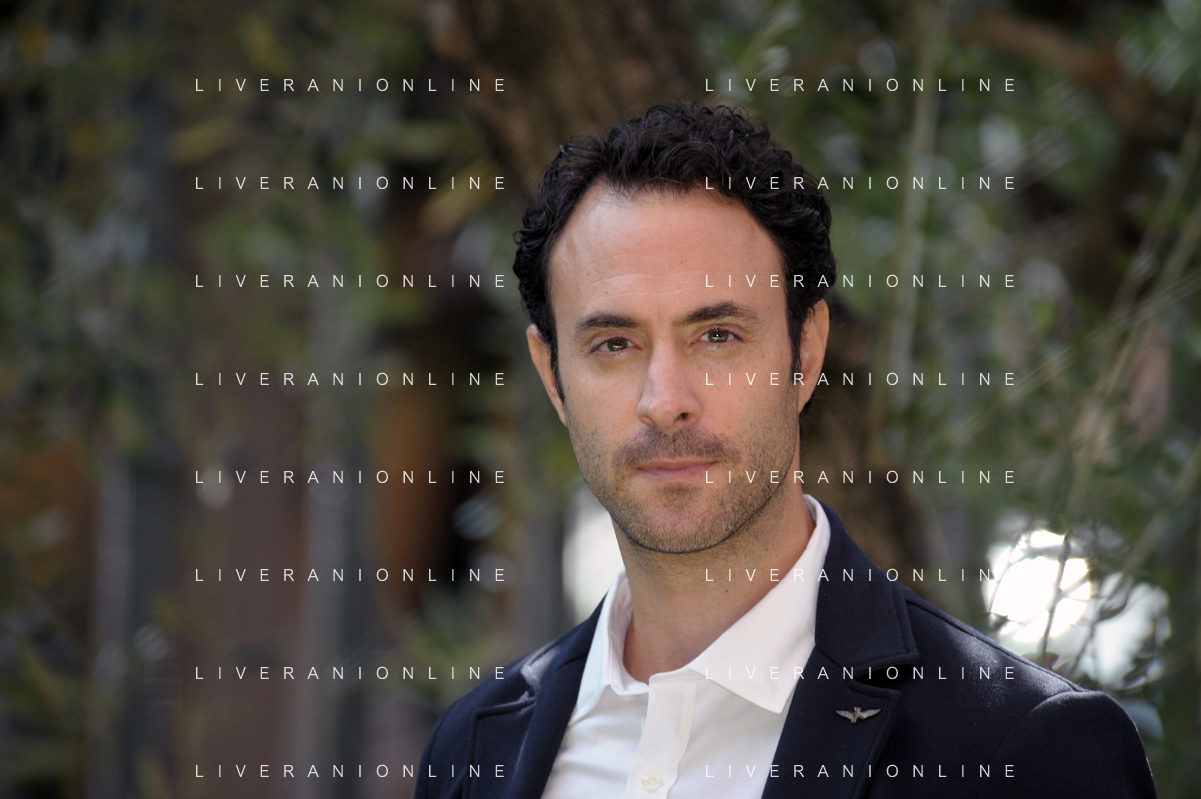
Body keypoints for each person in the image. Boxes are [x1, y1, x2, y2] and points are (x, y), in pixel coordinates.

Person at [414, 101, 1157, 798]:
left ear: (805, 353)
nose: (663, 399)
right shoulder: (472, 750)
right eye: (613, 343)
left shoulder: (1023, 750)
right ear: (552, 376)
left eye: (717, 335)